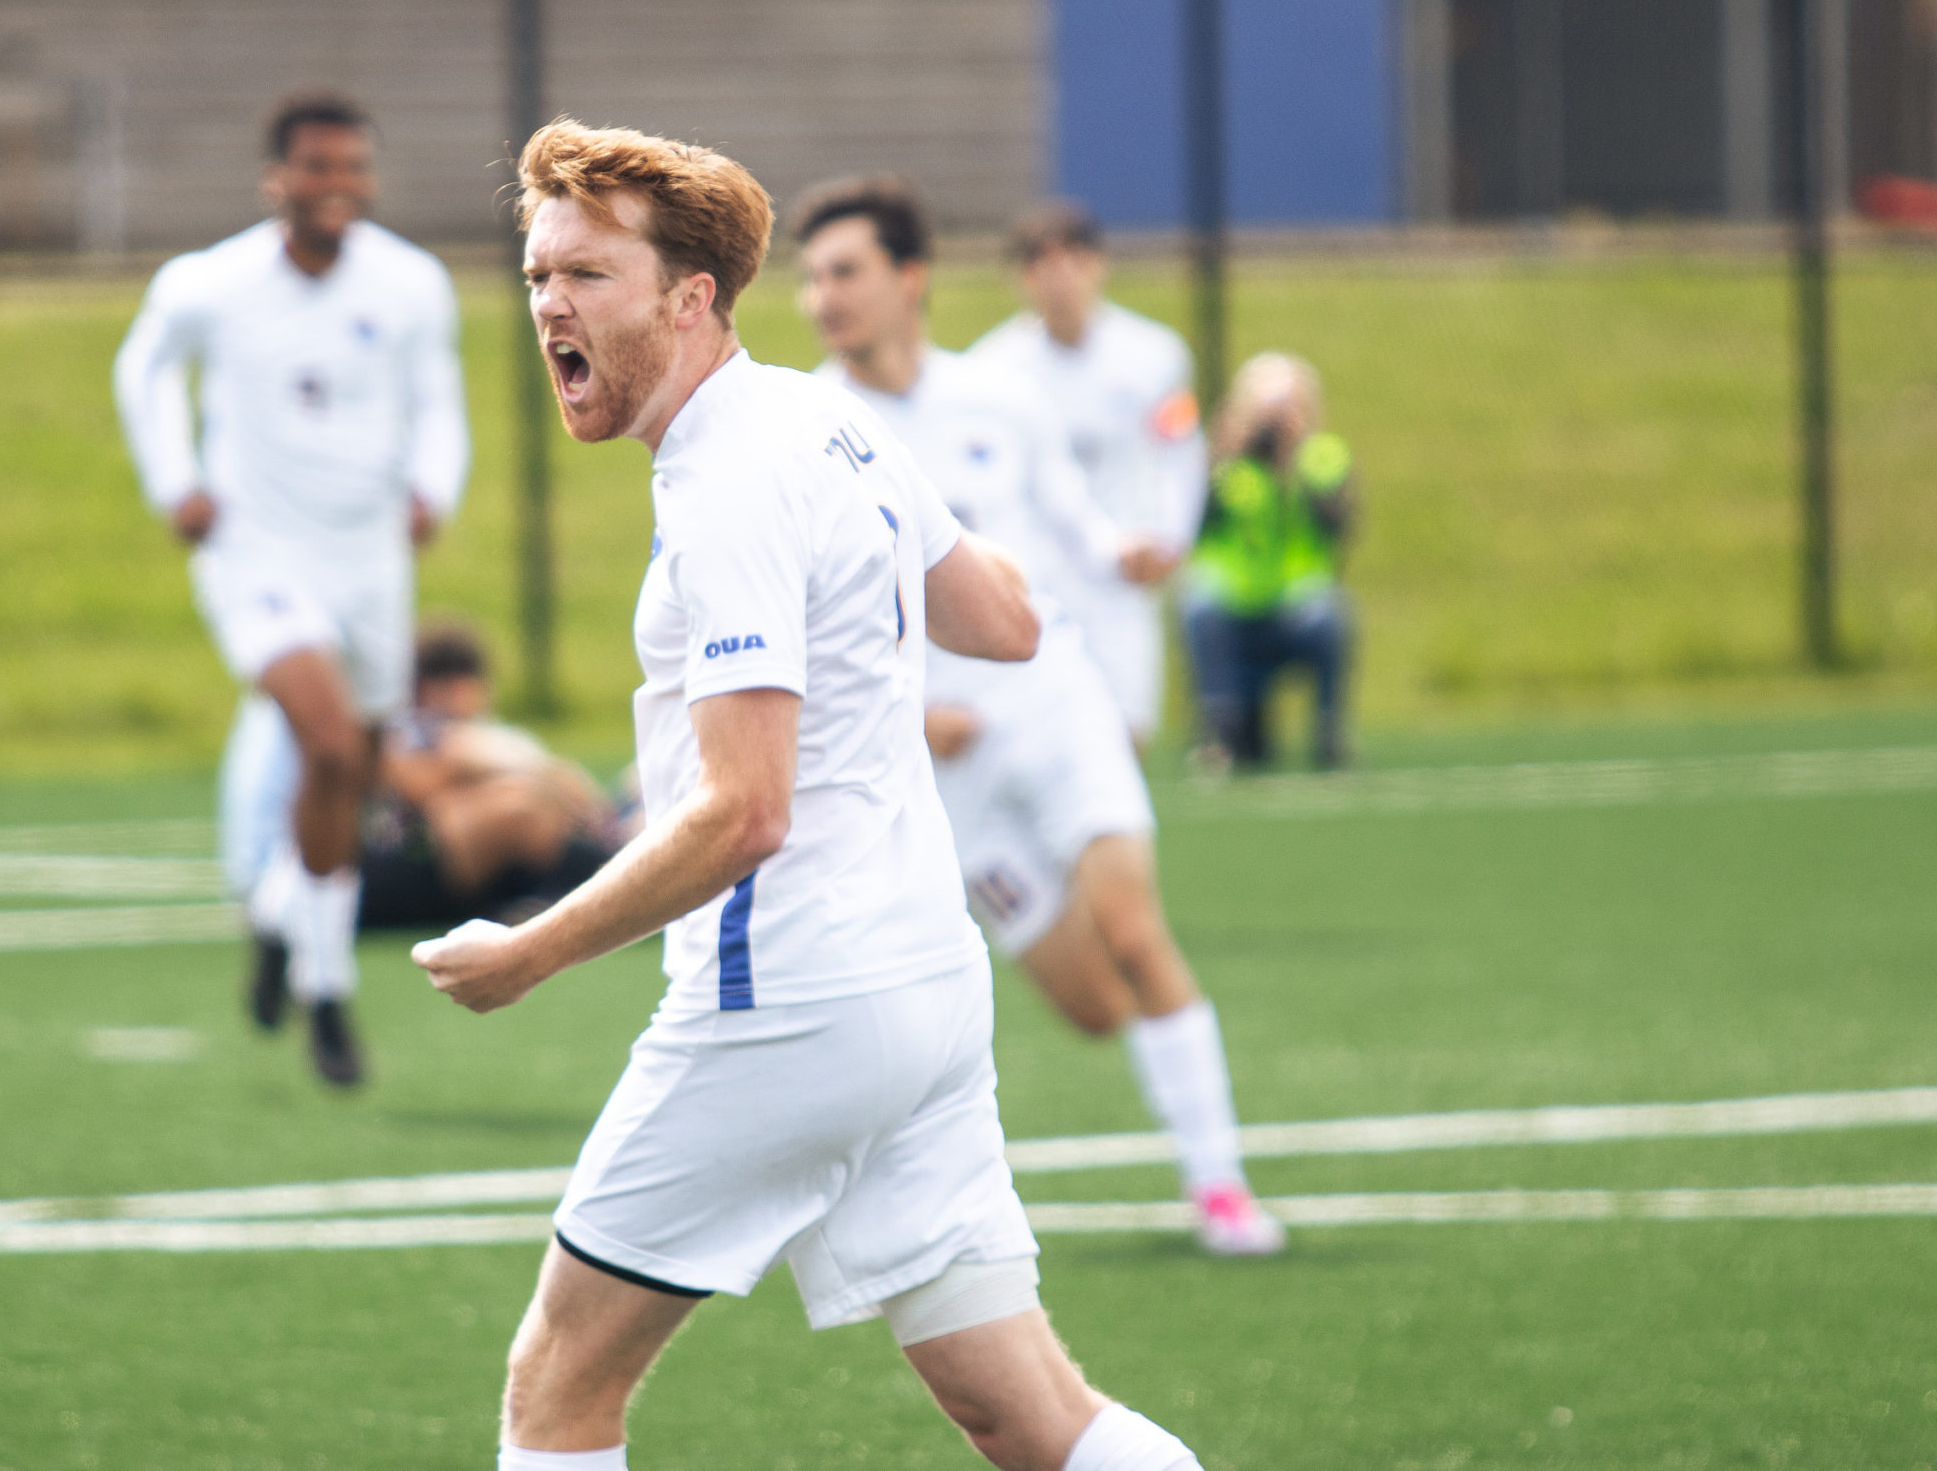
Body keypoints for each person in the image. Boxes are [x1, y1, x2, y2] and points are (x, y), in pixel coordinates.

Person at [414, 120, 1212, 1471]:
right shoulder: (829, 421)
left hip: (786, 997)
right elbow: (1009, 618)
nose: (549, 300)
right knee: (1027, 1415)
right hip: (921, 983)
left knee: (557, 1387)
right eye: (540, 272)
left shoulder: (728, 479)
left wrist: (529, 949)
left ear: (692, 298)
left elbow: (744, 811)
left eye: (588, 275)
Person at [797, 174, 1283, 1259]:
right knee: (1090, 1005)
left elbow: (1068, 524)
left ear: (908, 278)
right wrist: (913, 709)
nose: (821, 297)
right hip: (941, 769)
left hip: (1051, 707)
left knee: (1134, 931)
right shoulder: (810, 430)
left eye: (844, 272)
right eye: (811, 278)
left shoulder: (997, 399)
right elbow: (811, 613)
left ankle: (1220, 1188)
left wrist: (1126, 553)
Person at [113, 90, 468, 1087]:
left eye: (352, 168)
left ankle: (278, 923)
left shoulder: (409, 284)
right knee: (320, 742)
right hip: (257, 556)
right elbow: (143, 372)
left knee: (350, 773)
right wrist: (174, 484)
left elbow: (439, 402)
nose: (336, 187)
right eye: (317, 168)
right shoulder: (210, 284)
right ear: (278, 179)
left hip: (367, 561)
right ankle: (327, 994)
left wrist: (431, 491)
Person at [971, 205, 1207, 747]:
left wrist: (1169, 540)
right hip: (1039, 578)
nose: (1060, 279)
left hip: (1122, 576)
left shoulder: (1154, 356)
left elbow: (1180, 452)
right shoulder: (994, 370)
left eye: (1072, 260)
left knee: (1128, 735)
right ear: (1021, 278)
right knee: (1033, 737)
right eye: (1041, 265)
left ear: (1097, 265)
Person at [359, 620, 621, 934]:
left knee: (525, 804)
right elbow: (421, 788)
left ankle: (608, 877)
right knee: (517, 808)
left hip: (462, 876)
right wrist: (532, 771)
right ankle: (620, 885)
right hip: (388, 867)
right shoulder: (402, 732)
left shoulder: (485, 736)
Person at [1180, 353, 1356, 772]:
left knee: (1332, 614)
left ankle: (1330, 731)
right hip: (1235, 605)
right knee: (1198, 604)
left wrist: (1289, 464)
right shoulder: (1226, 466)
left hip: (1296, 604)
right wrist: (1222, 452)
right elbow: (1191, 523)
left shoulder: (1322, 457)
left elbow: (1337, 524)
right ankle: (1219, 732)